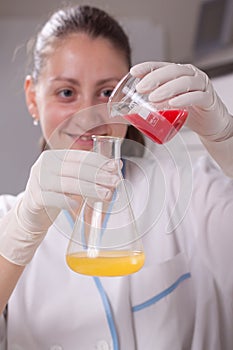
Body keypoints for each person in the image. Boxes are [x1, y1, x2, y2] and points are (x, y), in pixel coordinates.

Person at [0, 5, 233, 350]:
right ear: (33, 98)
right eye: (66, 92)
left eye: (108, 92)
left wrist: (227, 141)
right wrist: (18, 235)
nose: (88, 114)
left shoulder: (186, 188)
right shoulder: (8, 221)